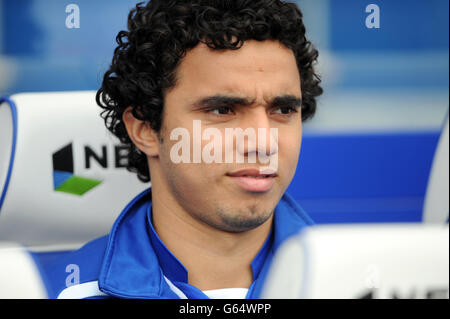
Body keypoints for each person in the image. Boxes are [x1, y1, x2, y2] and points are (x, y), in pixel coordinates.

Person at [46, 0, 322, 299]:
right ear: (146, 129)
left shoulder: (359, 280)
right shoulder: (48, 292)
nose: (262, 143)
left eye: (282, 109)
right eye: (222, 109)